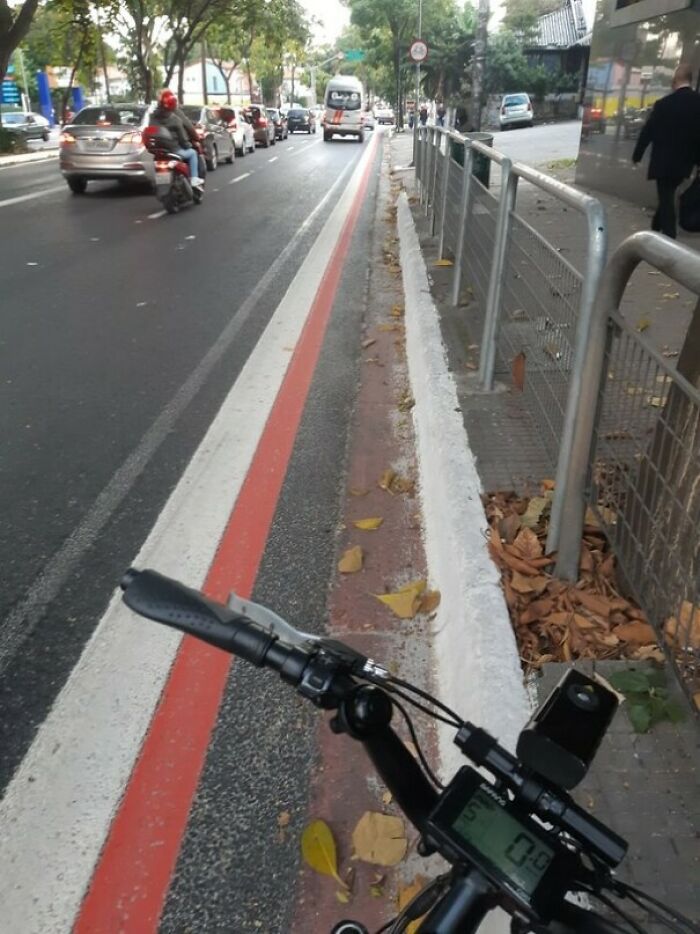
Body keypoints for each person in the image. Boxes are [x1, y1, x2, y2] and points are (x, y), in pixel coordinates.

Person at [632, 63, 700, 239]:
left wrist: (637, 155)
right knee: (667, 195)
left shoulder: (663, 104)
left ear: (675, 80)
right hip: (685, 163)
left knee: (666, 197)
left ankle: (669, 238)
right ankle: (655, 228)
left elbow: (648, 131)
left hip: (663, 162)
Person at [151, 89, 204, 188]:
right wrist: (194, 141)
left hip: (159, 150)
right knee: (192, 153)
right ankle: (194, 179)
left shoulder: (153, 115)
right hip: (174, 148)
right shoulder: (175, 115)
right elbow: (187, 128)